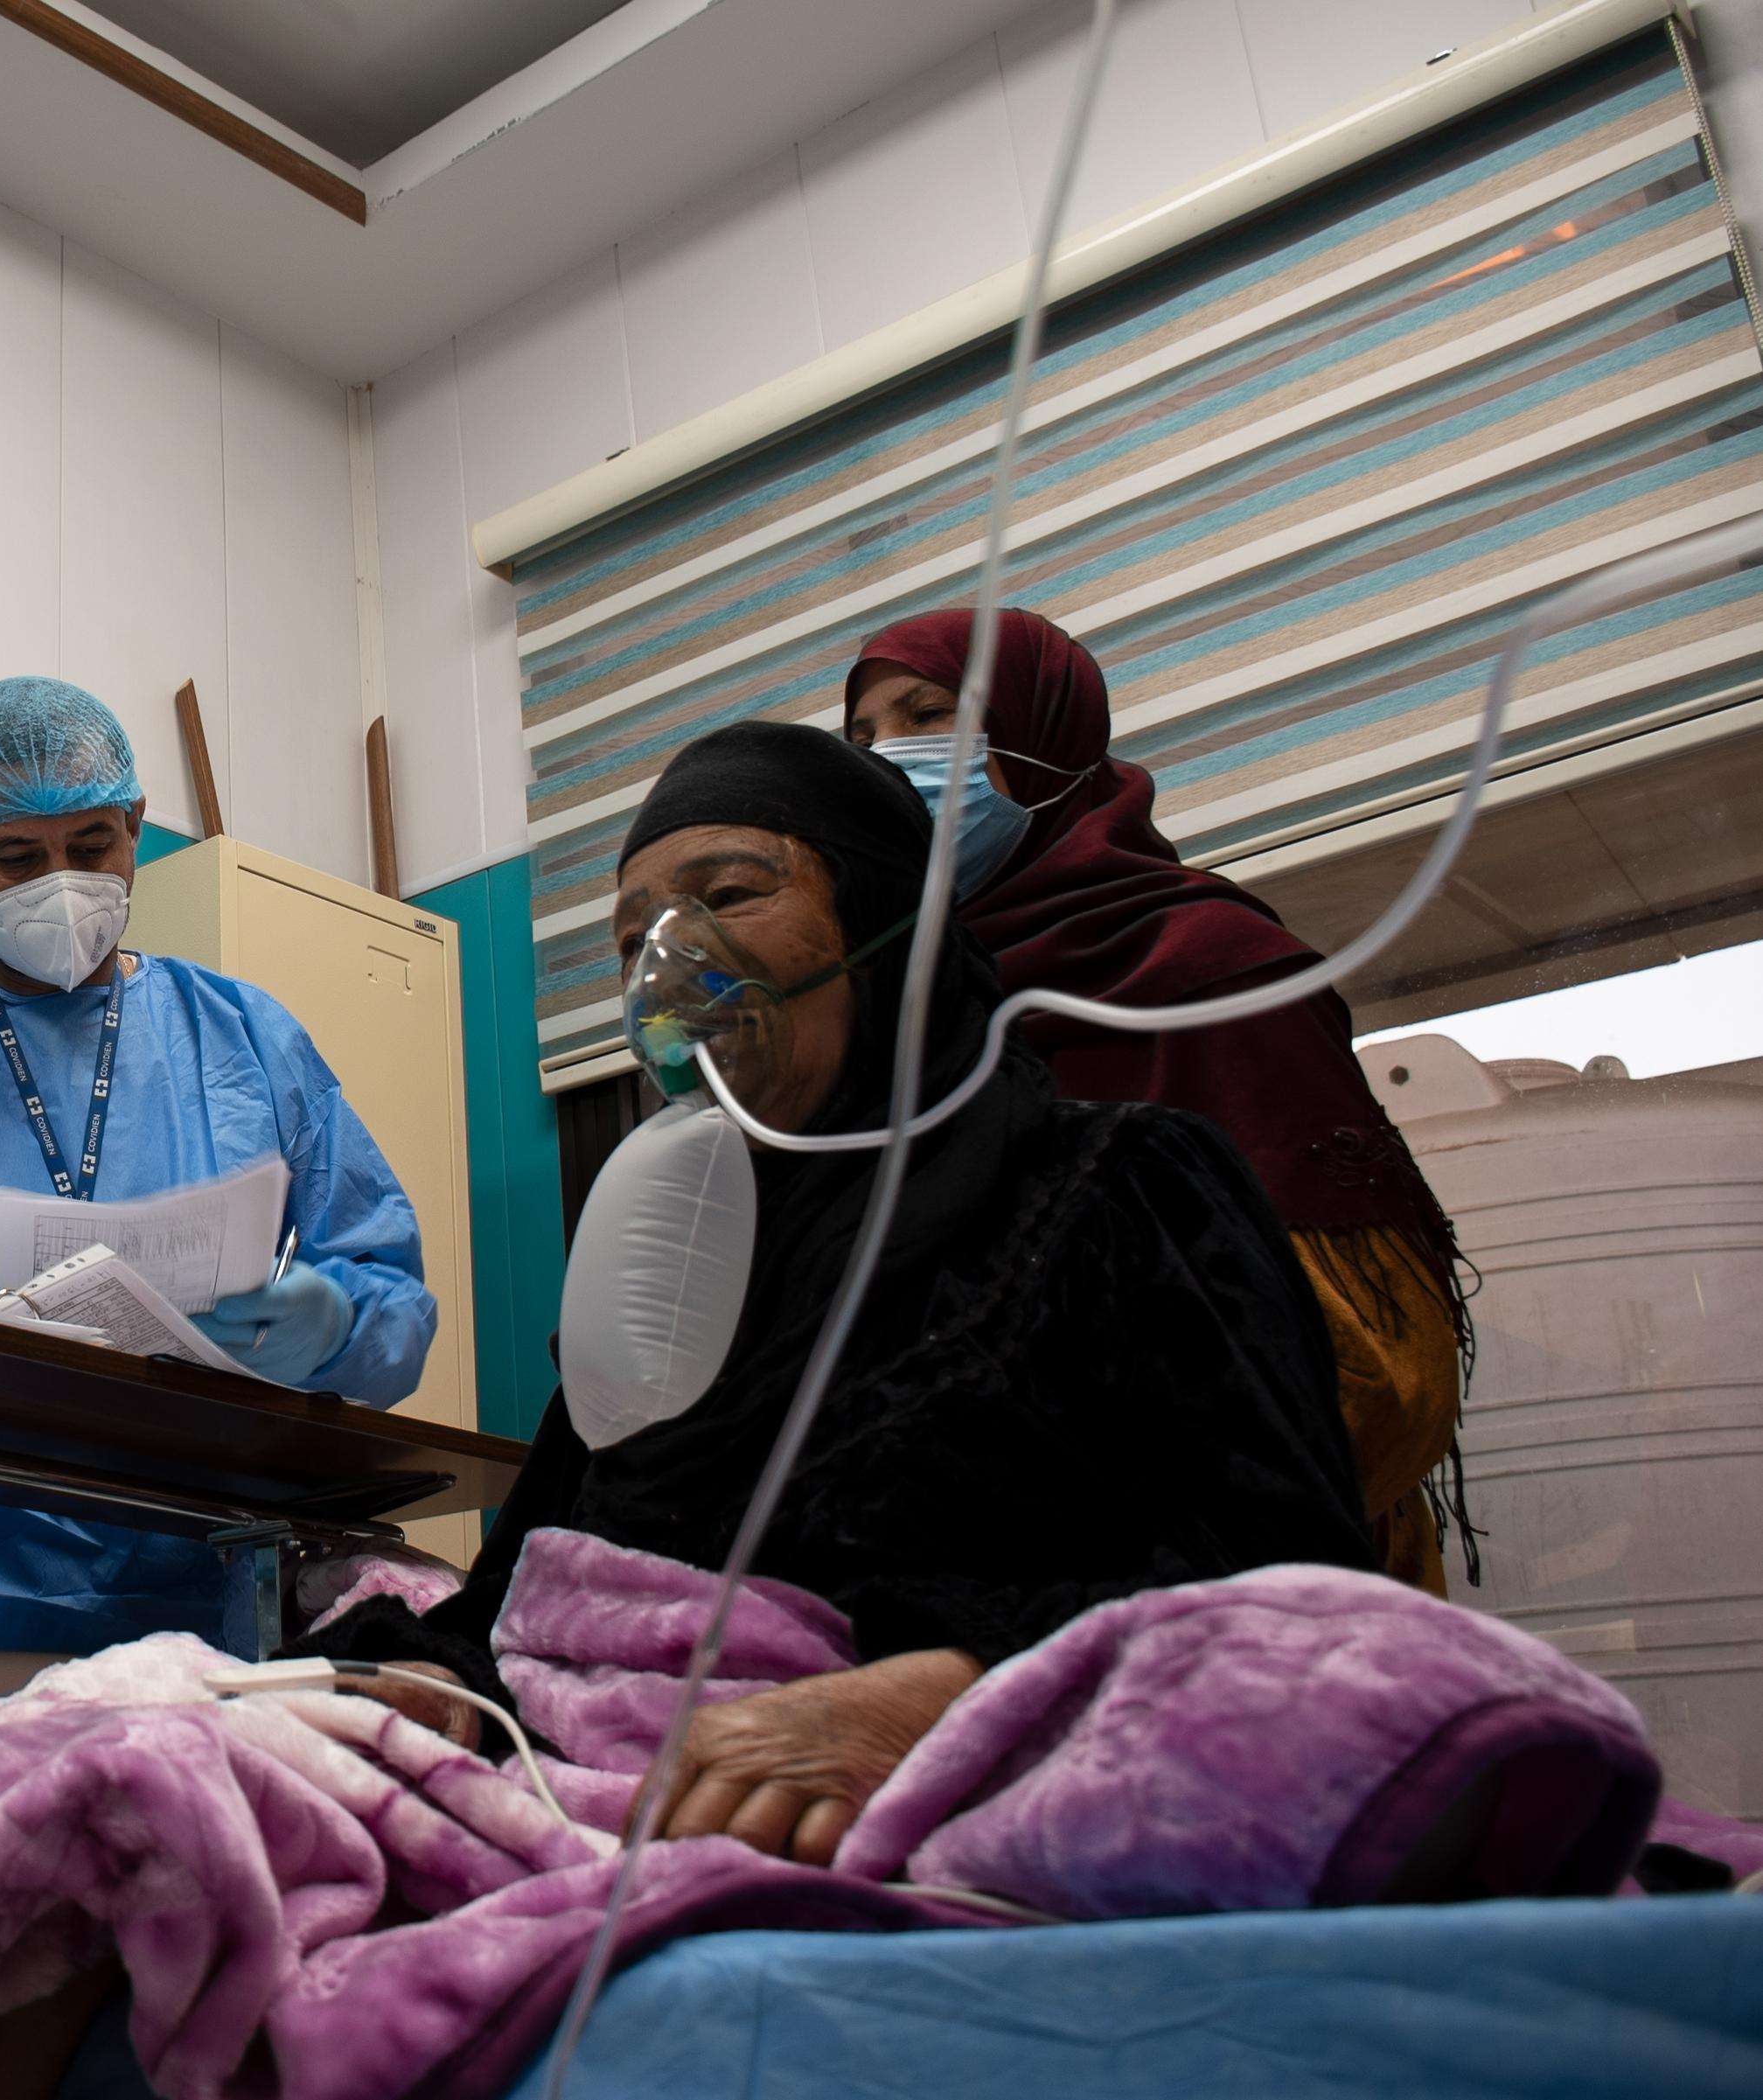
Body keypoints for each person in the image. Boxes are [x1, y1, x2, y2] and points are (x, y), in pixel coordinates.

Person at [323, 721, 1379, 1866]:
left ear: (886, 927)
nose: (668, 962)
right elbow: (515, 1600)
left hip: (984, 1830)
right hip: (612, 1823)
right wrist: (429, 1680)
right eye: (632, 944)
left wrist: (954, 1692)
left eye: (728, 891)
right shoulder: (660, 1264)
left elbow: (1289, 1584)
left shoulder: (1121, 1187)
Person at [0, 675, 437, 1657]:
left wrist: (333, 1321)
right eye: (17, 857)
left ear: (137, 825)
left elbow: (390, 1295)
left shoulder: (247, 1040)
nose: (61, 882)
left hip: (200, 1587)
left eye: (91, 845)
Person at [842, 607, 1472, 1593]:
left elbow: (1384, 1376)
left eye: (925, 717)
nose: (885, 762)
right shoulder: (907, 1030)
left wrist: (1085, 1555)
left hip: (1267, 1610)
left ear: (1042, 733)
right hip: (968, 1624)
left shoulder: (1214, 969)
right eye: (861, 739)